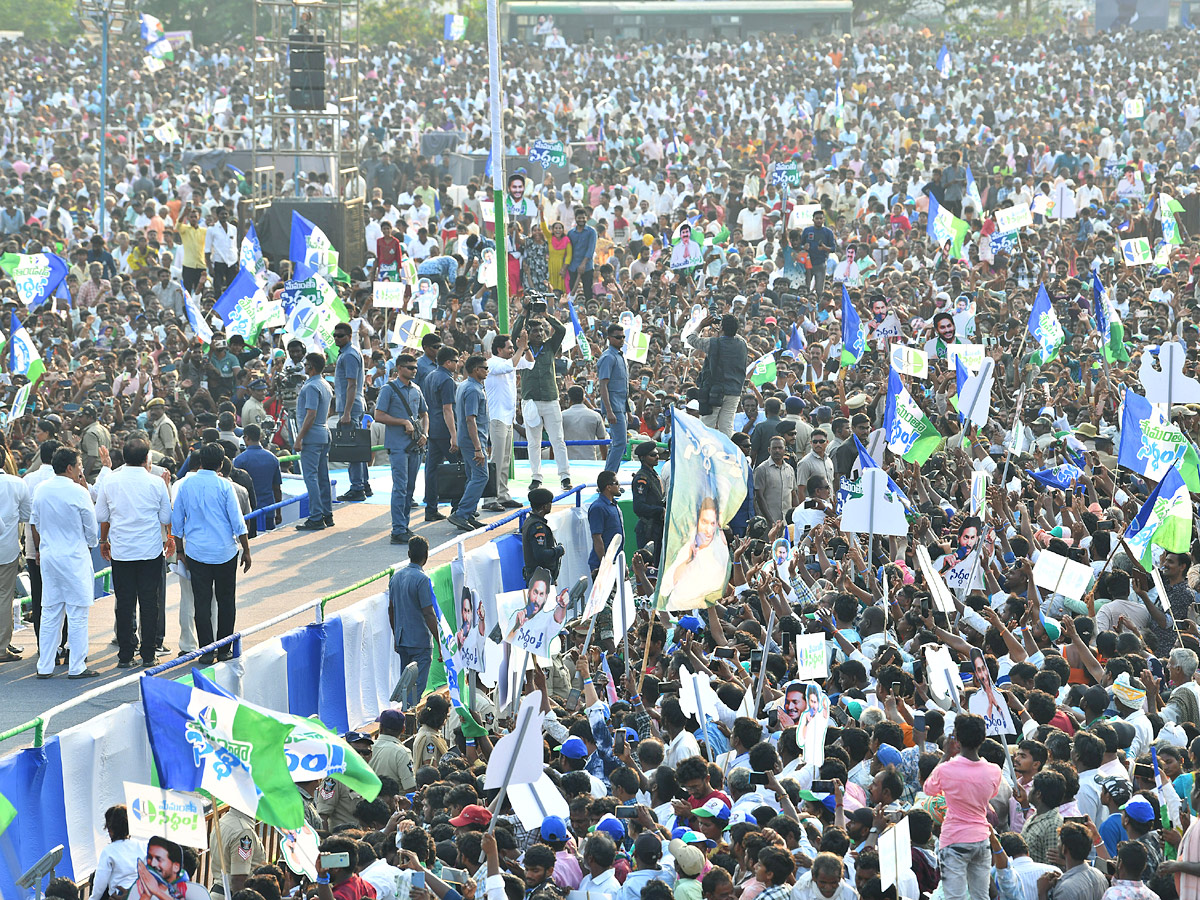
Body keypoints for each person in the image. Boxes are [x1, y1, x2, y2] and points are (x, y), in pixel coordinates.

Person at [171, 442, 252, 665]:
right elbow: (238, 522)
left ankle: (206, 650)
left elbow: (176, 522)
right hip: (225, 552)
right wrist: (246, 550)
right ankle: (224, 648)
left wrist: (180, 550)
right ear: (220, 463)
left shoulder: (186, 485)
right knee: (226, 601)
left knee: (202, 602)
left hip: (196, 552)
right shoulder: (225, 486)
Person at [96, 437, 173, 668]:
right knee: (150, 604)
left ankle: (126, 655)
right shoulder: (156, 483)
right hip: (150, 552)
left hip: (122, 552)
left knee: (125, 602)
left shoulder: (110, 481)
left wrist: (104, 539)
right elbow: (166, 518)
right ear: (146, 458)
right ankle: (148, 654)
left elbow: (101, 515)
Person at [31, 447, 99, 679]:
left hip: (50, 556)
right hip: (74, 556)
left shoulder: (41, 490)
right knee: (77, 612)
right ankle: (77, 666)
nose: (81, 469)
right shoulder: (79, 492)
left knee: (50, 611)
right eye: (79, 465)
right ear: (70, 467)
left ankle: (45, 665)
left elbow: (36, 523)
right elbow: (91, 528)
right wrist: (89, 543)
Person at [923, 713, 1003, 900]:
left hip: (954, 840)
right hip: (981, 839)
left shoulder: (945, 769)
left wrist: (945, 755)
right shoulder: (994, 771)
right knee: (980, 897)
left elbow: (928, 789)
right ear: (983, 738)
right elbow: (991, 795)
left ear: (956, 739)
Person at [513, 307, 572, 491]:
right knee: (533, 442)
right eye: (535, 331)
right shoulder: (522, 348)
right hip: (530, 400)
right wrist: (525, 313)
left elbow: (561, 330)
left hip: (550, 399)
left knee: (558, 440)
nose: (539, 333)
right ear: (528, 334)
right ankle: (536, 477)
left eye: (541, 330)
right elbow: (515, 332)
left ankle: (565, 476)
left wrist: (547, 315)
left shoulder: (549, 347)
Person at [374, 352, 428, 544]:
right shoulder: (388, 389)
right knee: (400, 487)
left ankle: (403, 525)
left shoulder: (416, 389)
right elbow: (378, 415)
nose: (414, 370)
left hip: (415, 445)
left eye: (415, 367)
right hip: (397, 446)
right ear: (399, 369)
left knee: (410, 488)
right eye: (410, 367)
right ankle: (398, 529)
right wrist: (403, 422)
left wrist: (425, 434)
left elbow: (424, 414)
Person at [387, 535, 439, 708]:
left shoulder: (396, 577)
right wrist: (440, 641)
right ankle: (408, 722)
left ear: (409, 553)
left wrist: (396, 637)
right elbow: (428, 613)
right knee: (415, 690)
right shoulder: (422, 579)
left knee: (406, 688)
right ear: (426, 555)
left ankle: (404, 718)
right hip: (420, 643)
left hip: (403, 641)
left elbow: (391, 610)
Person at [482, 333, 528, 512]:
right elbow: (511, 365)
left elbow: (529, 363)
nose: (512, 351)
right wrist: (521, 348)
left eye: (512, 348)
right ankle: (489, 498)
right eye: (509, 348)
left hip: (508, 418)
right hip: (497, 417)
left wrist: (526, 346)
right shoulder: (493, 363)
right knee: (497, 459)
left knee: (506, 459)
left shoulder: (510, 361)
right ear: (499, 349)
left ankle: (502, 495)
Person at [659, 497, 730, 610]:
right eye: (704, 522)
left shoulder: (720, 550)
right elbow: (667, 588)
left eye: (712, 523)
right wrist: (688, 559)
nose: (708, 529)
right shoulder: (686, 548)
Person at [685, 315, 748, 436]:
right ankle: (725, 452)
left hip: (714, 391)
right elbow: (734, 335)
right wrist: (725, 328)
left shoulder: (713, 343)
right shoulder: (742, 343)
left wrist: (701, 325)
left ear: (722, 327)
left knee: (707, 426)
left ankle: (706, 452)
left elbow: (691, 339)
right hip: (734, 391)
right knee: (727, 427)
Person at [294, 351, 334, 532]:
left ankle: (316, 516)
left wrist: (299, 437)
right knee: (322, 476)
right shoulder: (324, 383)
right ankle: (327, 513)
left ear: (311, 366)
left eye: (306, 364)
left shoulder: (311, 386)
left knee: (310, 477)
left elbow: (311, 414)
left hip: (312, 435)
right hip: (323, 432)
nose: (304, 366)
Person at [450, 355, 489, 532]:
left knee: (473, 475)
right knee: (481, 476)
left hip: (466, 439)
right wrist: (478, 448)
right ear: (476, 369)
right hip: (474, 439)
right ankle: (462, 513)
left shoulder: (464, 385)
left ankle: (468, 513)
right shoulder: (473, 389)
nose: (487, 371)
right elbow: (470, 420)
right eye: (485, 368)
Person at [333, 321, 370, 502]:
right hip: (353, 405)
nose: (336, 338)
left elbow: (352, 384)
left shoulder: (349, 355)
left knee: (352, 449)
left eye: (340, 335)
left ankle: (357, 487)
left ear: (349, 336)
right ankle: (364, 484)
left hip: (351, 406)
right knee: (357, 447)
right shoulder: (349, 353)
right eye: (335, 335)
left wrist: (346, 412)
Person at [423, 345, 460, 522]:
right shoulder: (447, 380)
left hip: (432, 428)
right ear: (448, 362)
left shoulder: (430, 376)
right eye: (456, 361)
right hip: (445, 429)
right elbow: (448, 410)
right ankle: (458, 508)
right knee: (458, 468)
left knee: (432, 470)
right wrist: (454, 435)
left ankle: (431, 508)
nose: (458, 364)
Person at [0, 461, 29, 664]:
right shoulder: (16, 484)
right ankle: (2, 646)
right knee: (4, 597)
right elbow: (27, 515)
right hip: (7, 550)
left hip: (8, 549)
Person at [233, 424, 283, 530]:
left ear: (246, 437)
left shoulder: (240, 460)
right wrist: (278, 512)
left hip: (248, 512)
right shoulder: (272, 458)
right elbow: (277, 489)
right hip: (269, 509)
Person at [132, 836, 212, 900]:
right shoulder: (142, 889)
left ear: (177, 867)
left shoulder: (198, 893)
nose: (153, 864)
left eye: (159, 859)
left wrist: (156, 891)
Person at [91, 805, 143, 900]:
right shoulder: (142, 846)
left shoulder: (109, 851)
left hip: (119, 895)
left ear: (110, 829)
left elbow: (100, 884)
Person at [597, 323, 630, 472]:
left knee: (617, 443)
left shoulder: (619, 356)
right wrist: (609, 411)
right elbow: (603, 386)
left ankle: (609, 477)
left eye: (623, 337)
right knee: (620, 443)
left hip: (622, 406)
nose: (621, 340)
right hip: (614, 407)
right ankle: (609, 479)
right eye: (618, 337)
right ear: (609, 338)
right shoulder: (608, 357)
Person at [522, 487, 565, 582]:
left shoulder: (529, 521)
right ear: (544, 507)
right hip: (540, 579)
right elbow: (541, 554)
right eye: (550, 503)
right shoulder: (537, 527)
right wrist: (559, 550)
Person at [588, 470, 624, 573]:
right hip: (604, 565)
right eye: (616, 483)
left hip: (615, 562)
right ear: (608, 487)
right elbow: (597, 537)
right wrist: (604, 564)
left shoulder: (613, 505)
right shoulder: (598, 508)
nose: (619, 486)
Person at [631, 442, 665, 553]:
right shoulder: (642, 478)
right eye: (652, 455)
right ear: (642, 458)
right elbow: (638, 507)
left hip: (657, 527)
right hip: (648, 530)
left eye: (657, 454)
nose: (657, 457)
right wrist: (660, 510)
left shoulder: (653, 475)